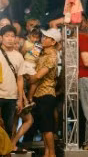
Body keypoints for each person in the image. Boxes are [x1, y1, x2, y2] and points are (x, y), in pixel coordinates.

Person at [0, 25, 26, 138]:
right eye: (7, 36)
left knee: (8, 127)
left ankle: (4, 153)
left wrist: (20, 99)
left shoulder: (19, 56)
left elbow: (20, 79)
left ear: (15, 38)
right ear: (1, 37)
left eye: (12, 36)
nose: (10, 39)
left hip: (11, 97)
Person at [27, 28, 60, 157]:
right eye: (44, 36)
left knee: (47, 127)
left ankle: (52, 154)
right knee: (44, 128)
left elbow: (38, 76)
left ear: (53, 42)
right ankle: (47, 153)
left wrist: (29, 77)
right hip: (38, 94)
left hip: (46, 94)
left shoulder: (52, 56)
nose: (43, 38)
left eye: (46, 37)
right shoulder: (41, 53)